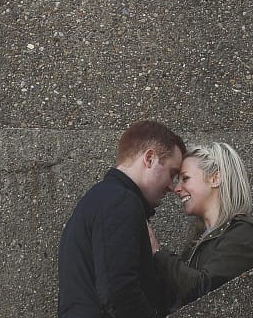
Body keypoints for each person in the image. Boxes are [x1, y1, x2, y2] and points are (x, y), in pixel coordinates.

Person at [58, 120, 186, 318]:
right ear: (149, 158)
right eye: (172, 173)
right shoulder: (120, 201)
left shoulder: (100, 199)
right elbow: (119, 293)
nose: (172, 186)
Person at [148, 142, 253, 311]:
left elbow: (208, 292)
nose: (176, 188)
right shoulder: (199, 239)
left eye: (185, 178)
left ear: (215, 179)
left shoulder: (244, 234)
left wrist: (157, 253)